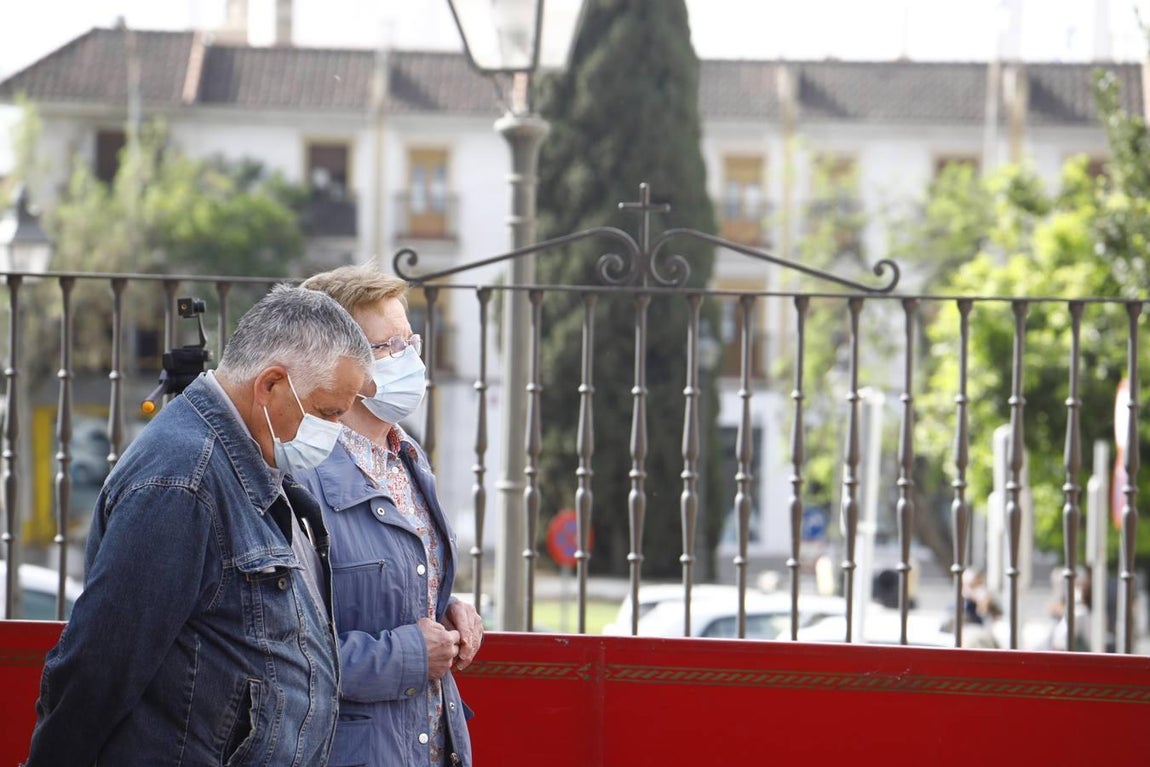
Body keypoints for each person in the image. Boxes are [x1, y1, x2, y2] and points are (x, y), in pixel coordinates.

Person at [25, 285, 374, 766]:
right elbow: (98, 668)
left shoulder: (252, 461)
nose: (335, 431)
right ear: (270, 384)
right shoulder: (183, 480)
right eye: (328, 413)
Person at [299, 264, 484, 767]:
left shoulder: (409, 457)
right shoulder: (303, 475)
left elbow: (385, 589)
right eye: (390, 348)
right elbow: (287, 653)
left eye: (413, 342)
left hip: (430, 746)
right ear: (342, 364)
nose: (412, 361)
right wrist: (408, 654)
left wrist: (445, 608)